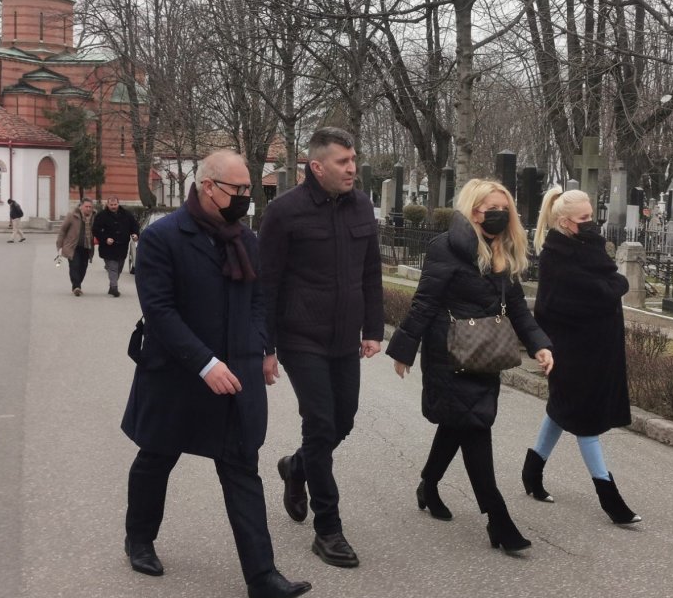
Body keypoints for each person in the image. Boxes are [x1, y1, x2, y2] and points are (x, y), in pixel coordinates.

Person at [120, 149, 311, 598]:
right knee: (157, 458)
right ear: (208, 187)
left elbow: (259, 299)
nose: (246, 197)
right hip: (177, 375)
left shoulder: (245, 240)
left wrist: (263, 348)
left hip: (236, 373)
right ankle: (139, 539)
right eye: (238, 189)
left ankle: (262, 577)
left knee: (242, 466)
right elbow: (159, 311)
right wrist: (205, 363)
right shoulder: (163, 237)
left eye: (248, 189)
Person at [386, 179, 554, 554]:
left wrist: (540, 345)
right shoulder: (444, 248)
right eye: (492, 209)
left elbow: (518, 310)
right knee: (475, 427)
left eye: (505, 209)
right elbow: (425, 301)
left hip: (485, 354)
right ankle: (499, 519)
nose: (500, 215)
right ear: (474, 211)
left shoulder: (502, 251)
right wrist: (405, 348)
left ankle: (428, 486)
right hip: (449, 355)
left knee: (458, 424)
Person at [258, 127, 384, 569]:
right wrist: (266, 347)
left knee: (342, 420)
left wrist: (373, 328)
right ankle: (328, 529)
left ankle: (296, 467)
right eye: (342, 162)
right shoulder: (283, 212)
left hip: (345, 337)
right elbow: (266, 284)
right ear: (316, 166)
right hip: (300, 337)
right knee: (321, 423)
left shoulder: (361, 205)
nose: (352, 168)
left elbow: (371, 271)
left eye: (353, 159)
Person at [521, 187, 641, 525]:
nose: (592, 222)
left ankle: (532, 470)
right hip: (571, 352)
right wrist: (614, 286)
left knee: (562, 410)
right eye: (584, 218)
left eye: (591, 215)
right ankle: (609, 498)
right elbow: (600, 290)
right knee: (586, 421)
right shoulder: (556, 257)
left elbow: (607, 284)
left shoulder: (589, 246)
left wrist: (612, 286)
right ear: (565, 222)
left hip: (597, 350)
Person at [92, 196, 140, 297]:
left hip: (122, 247)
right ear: (107, 204)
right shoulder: (101, 216)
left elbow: (134, 225)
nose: (113, 206)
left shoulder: (127, 214)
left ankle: (112, 285)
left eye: (115, 204)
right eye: (111, 205)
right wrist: (105, 238)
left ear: (118, 204)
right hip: (107, 248)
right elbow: (95, 230)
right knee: (113, 267)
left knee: (119, 268)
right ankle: (114, 288)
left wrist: (135, 234)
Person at [56, 198, 95, 296]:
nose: (88, 209)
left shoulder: (94, 217)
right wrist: (59, 245)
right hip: (73, 247)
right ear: (81, 206)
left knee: (83, 268)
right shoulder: (72, 216)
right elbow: (63, 230)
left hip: (87, 247)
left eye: (90, 207)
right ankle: (76, 287)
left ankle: (77, 284)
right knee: (75, 266)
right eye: (86, 206)